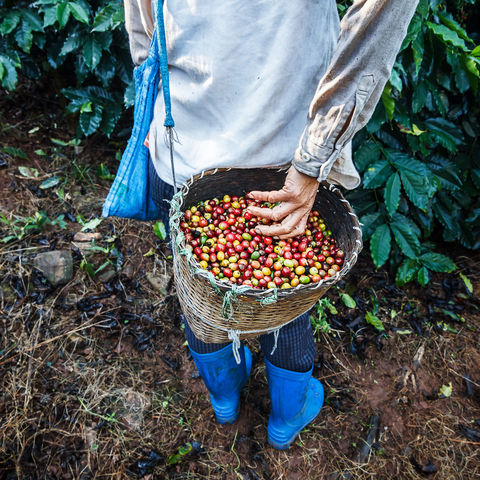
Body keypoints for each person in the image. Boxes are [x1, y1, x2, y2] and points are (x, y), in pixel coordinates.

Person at [124, 0, 419, 450]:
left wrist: (151, 81)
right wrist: (317, 154)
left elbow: (144, 29)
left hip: (184, 143)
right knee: (285, 305)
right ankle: (286, 414)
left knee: (199, 295)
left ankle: (225, 395)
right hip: (282, 153)